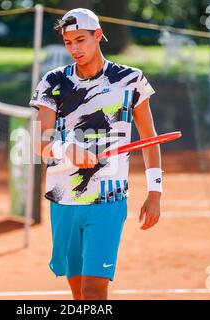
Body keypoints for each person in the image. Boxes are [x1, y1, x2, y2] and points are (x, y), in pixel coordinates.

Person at [29, 8, 162, 300]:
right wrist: (67, 149)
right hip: (63, 200)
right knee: (78, 291)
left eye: (81, 40)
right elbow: (41, 141)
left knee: (94, 289)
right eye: (68, 42)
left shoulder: (131, 80)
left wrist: (155, 192)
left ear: (98, 36)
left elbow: (149, 139)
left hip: (108, 201)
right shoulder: (53, 82)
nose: (74, 48)